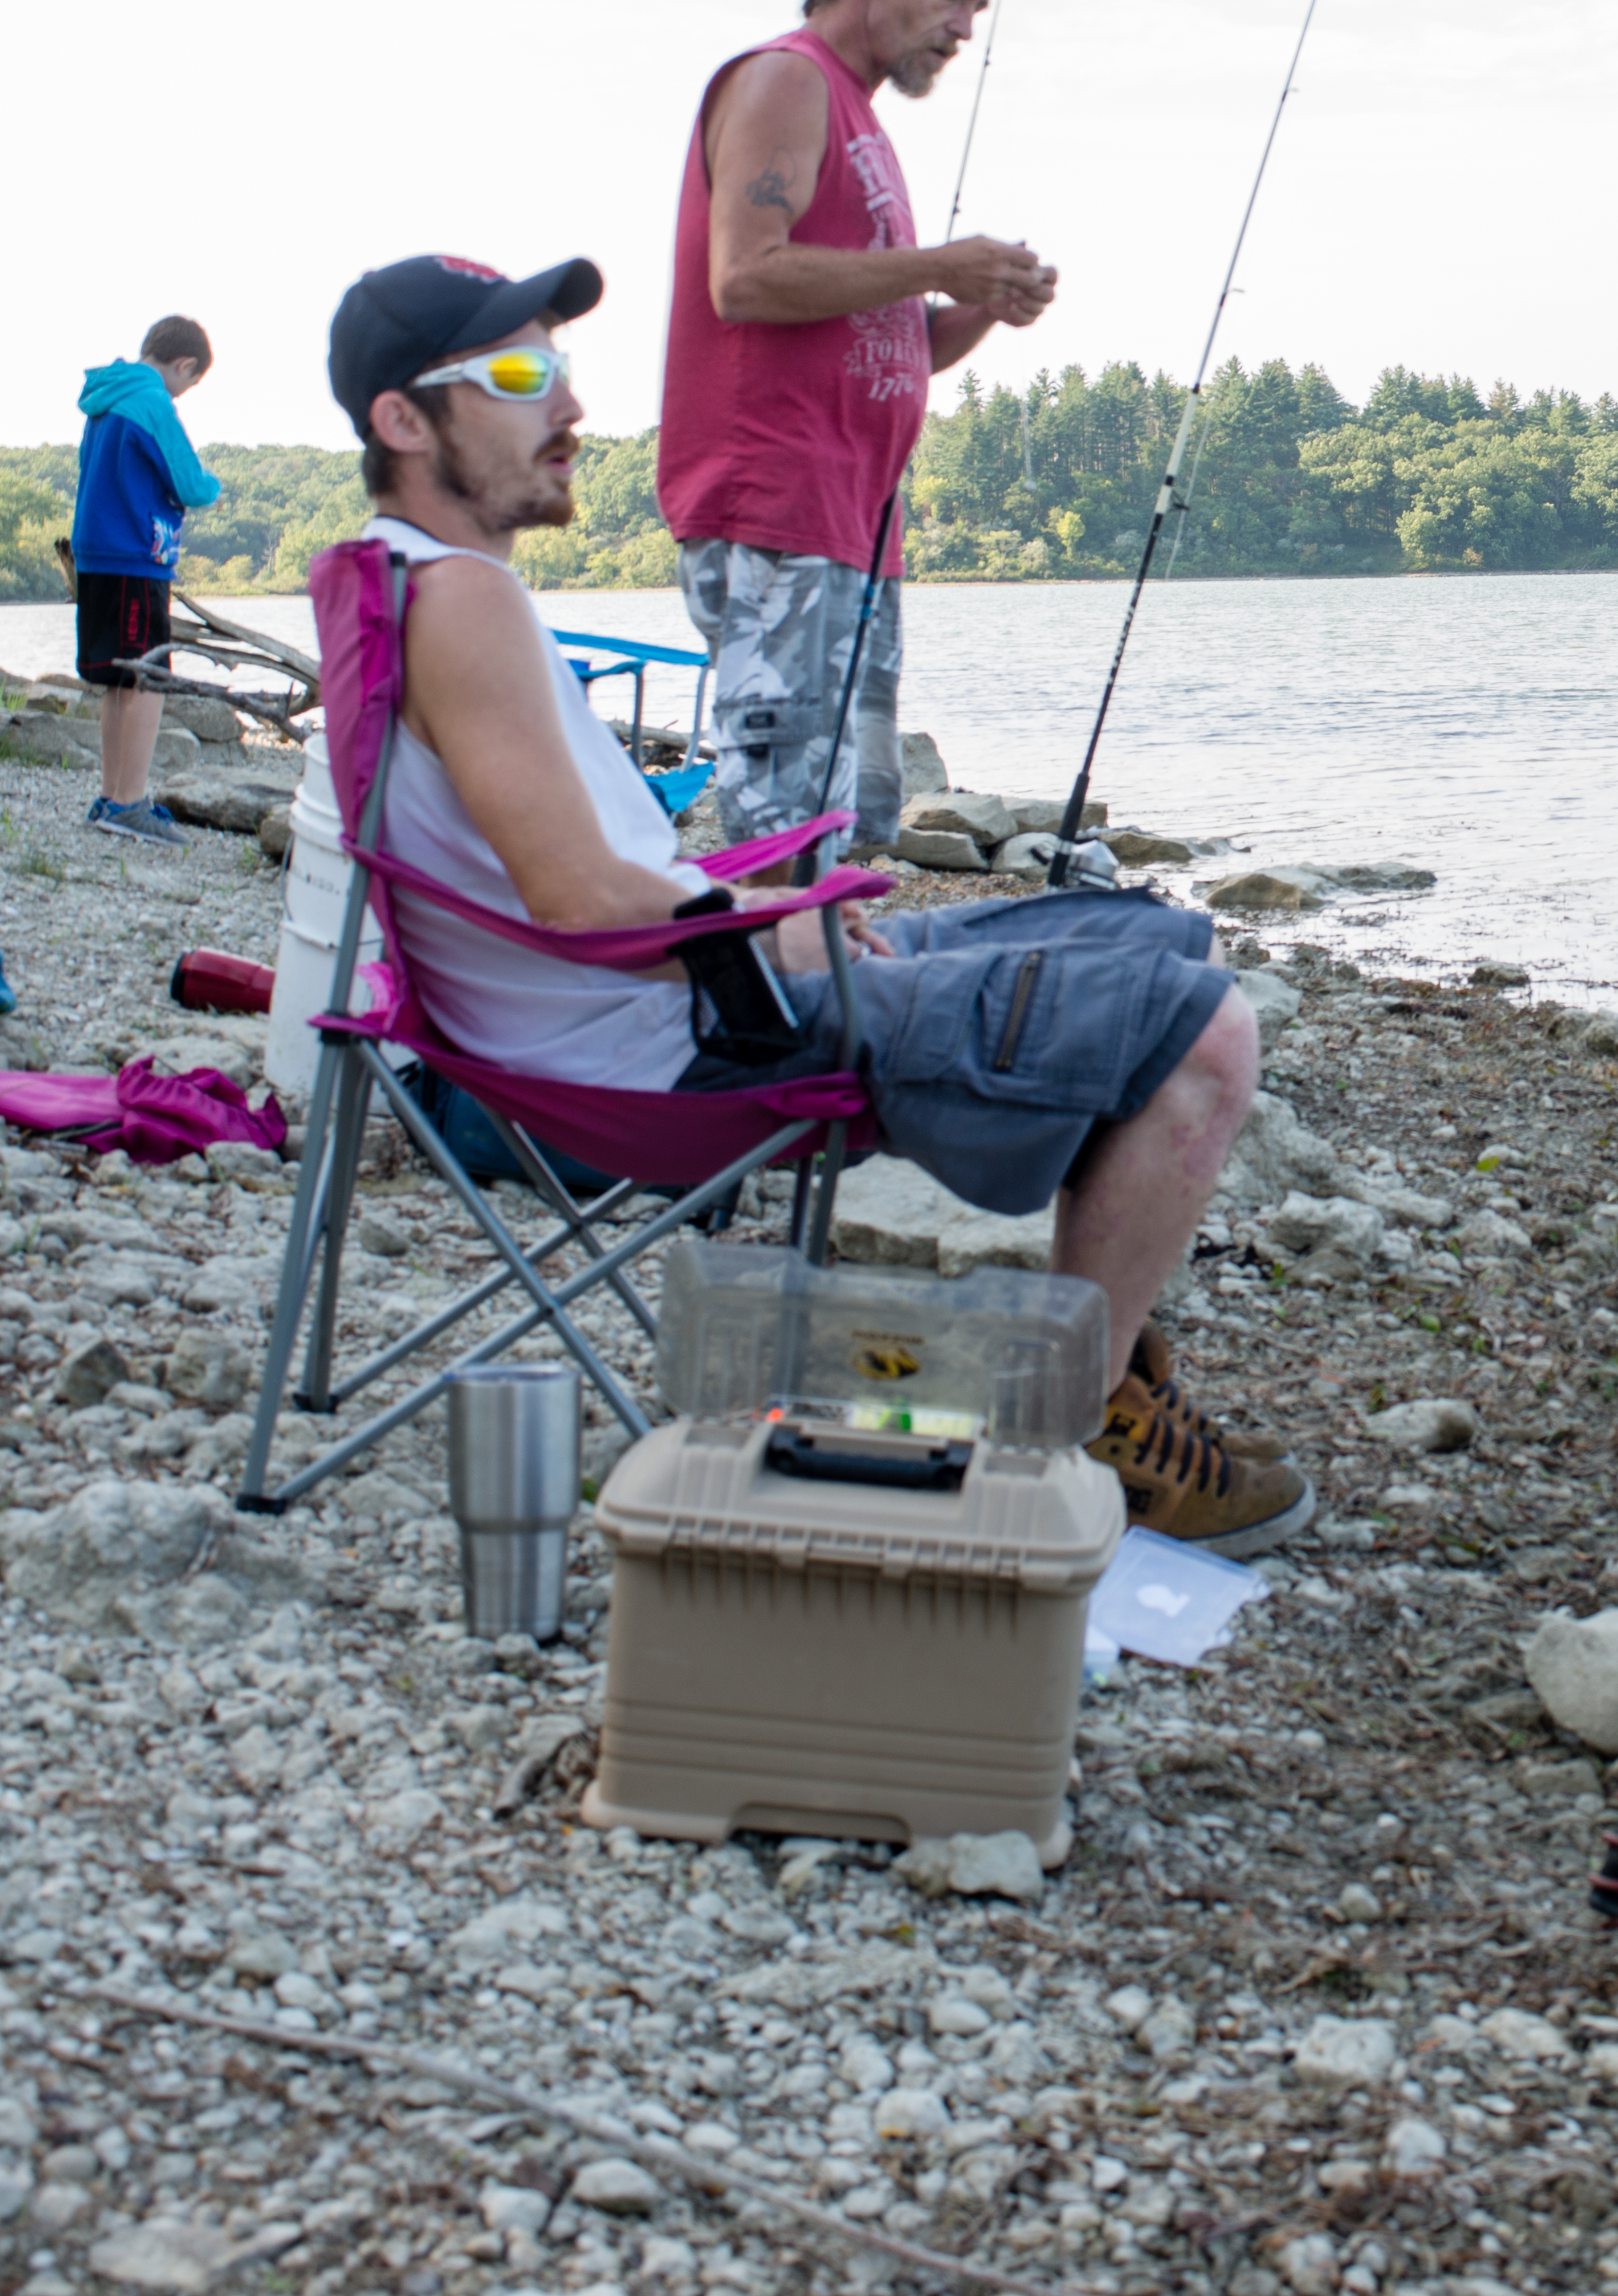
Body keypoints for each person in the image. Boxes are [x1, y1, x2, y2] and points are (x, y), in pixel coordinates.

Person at [334, 249, 1310, 1557]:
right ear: (403, 418)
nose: (566, 406)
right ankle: (1081, 1428)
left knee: (1142, 929)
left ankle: (1112, 1369)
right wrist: (762, 932)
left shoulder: (393, 581)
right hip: (673, 1047)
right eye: (515, 374)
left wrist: (756, 904)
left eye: (558, 365)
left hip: (662, 998)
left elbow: (558, 883)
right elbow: (572, 900)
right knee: (1204, 1034)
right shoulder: (459, 600)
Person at [660, 0, 1059, 854]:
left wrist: (977, 308)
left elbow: (889, 344)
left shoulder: (860, 116)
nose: (964, 28)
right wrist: (937, 262)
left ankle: (826, 996)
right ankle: (769, 1003)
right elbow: (744, 280)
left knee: (846, 834)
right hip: (775, 520)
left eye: (978, 5)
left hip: (855, 530)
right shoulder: (788, 81)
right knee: (783, 839)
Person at [74, 314, 219, 843]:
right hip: (135, 556)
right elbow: (190, 482)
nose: (183, 395)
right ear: (183, 366)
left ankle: (113, 797)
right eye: (190, 383)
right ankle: (130, 803)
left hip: (96, 555)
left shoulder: (106, 399)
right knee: (151, 678)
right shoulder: (154, 402)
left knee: (118, 679)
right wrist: (214, 485)